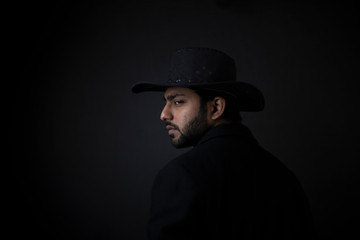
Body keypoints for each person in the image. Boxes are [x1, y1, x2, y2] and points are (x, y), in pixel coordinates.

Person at [132, 47, 316, 240]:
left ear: (216, 107)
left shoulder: (181, 175)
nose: (164, 114)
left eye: (178, 101)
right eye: (166, 102)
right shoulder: (284, 177)